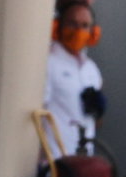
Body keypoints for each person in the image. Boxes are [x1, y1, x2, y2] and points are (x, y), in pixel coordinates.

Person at [42, 0, 103, 157]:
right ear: (58, 26)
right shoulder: (48, 61)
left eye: (84, 26)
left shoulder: (92, 69)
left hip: (84, 159)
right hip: (54, 158)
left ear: (93, 32)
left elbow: (95, 121)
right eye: (72, 24)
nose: (78, 31)